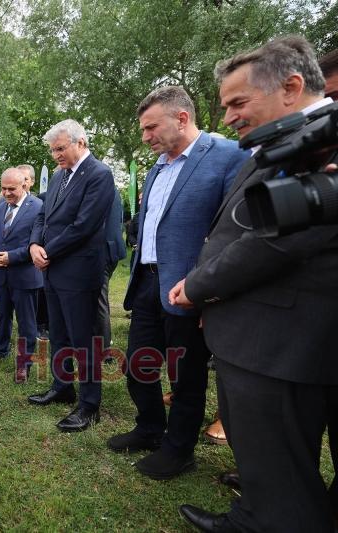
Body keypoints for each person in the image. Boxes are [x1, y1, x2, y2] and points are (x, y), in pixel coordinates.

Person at [168, 36, 338, 532]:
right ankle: (252, 515)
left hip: (279, 340)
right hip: (258, 331)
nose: (229, 118)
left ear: (291, 87)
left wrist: (199, 285)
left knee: (283, 471)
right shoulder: (292, 137)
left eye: (239, 103)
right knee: (268, 459)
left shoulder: (326, 142)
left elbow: (276, 242)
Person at [107, 86, 248, 481]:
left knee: (186, 376)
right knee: (140, 364)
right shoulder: (157, 168)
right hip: (147, 282)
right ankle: (150, 428)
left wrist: (209, 290)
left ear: (182, 118)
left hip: (189, 289)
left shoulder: (227, 157)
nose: (146, 137)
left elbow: (233, 231)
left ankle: (178, 449)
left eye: (152, 128)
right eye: (143, 130)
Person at [27, 119, 114, 432]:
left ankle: (89, 405)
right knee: (59, 334)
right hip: (52, 270)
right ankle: (62, 386)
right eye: (53, 150)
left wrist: (46, 251)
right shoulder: (60, 176)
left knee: (84, 340)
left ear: (81, 142)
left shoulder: (99, 174)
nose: (55, 155)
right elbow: (42, 215)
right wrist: (35, 244)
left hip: (78, 271)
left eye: (60, 148)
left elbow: (84, 225)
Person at [0, 168, 43, 383]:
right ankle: (0, 351)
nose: (6, 193)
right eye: (4, 188)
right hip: (0, 275)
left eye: (11, 189)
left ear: (24, 186)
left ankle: (24, 364)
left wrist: (11, 257)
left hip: (25, 276)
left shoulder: (37, 208)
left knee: (27, 323)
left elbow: (37, 243)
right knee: (3, 317)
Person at [93, 187, 127, 348]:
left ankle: (104, 346)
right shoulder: (112, 190)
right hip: (111, 248)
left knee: (99, 299)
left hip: (101, 251)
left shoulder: (98, 188)